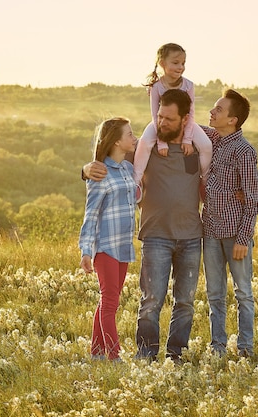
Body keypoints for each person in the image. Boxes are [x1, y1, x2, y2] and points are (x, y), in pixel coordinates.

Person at [84, 89, 202, 362]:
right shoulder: (141, 150)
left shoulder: (196, 144)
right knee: (150, 302)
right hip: (155, 236)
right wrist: (85, 169)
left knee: (184, 303)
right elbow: (105, 162)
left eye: (169, 119)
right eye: (159, 116)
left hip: (191, 237)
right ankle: (144, 355)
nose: (162, 122)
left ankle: (176, 356)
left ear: (185, 120)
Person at [200, 89, 258, 358]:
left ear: (233, 120)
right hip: (210, 230)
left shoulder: (244, 151)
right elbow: (190, 125)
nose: (212, 113)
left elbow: (253, 199)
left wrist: (242, 238)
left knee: (243, 294)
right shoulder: (213, 138)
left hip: (235, 233)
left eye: (218, 110)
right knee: (214, 294)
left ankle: (245, 348)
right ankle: (218, 348)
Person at [78, 117, 138, 361]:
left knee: (109, 301)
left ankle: (96, 353)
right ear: (116, 141)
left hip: (124, 244)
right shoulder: (99, 172)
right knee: (110, 302)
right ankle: (114, 357)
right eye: (130, 135)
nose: (135, 138)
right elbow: (90, 215)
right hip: (105, 247)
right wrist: (86, 251)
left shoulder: (128, 168)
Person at [133, 43, 212, 185]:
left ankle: (205, 181)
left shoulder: (188, 85)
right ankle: (135, 182)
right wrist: (161, 141)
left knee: (206, 145)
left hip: (187, 122)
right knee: (144, 143)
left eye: (183, 63)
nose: (180, 67)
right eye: (176, 63)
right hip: (160, 123)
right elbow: (155, 114)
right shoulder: (156, 87)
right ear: (162, 63)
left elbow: (191, 112)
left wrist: (187, 139)